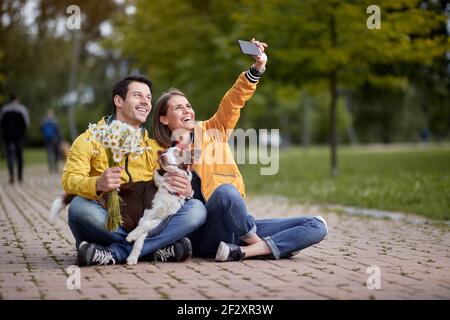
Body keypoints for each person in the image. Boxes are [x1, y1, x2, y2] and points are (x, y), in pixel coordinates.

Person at [152, 39, 328, 262]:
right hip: (206, 234)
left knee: (316, 225)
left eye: (188, 105)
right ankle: (261, 246)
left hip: (238, 228)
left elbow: (232, 103)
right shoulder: (159, 153)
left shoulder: (212, 130)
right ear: (164, 118)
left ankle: (245, 251)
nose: (187, 110)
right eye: (178, 107)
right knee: (226, 193)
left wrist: (256, 69)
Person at [62, 75, 207, 266]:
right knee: (79, 208)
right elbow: (69, 180)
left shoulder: (155, 147)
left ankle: (115, 253)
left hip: (146, 221)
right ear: (118, 101)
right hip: (107, 220)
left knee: (196, 209)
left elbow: (168, 193)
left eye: (148, 98)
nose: (145, 102)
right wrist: (97, 184)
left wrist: (186, 192)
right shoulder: (89, 140)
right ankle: (154, 249)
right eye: (138, 95)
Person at [0, 93, 30, 184]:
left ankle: (11, 175)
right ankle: (20, 176)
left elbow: (1, 123)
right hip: (19, 136)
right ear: (17, 98)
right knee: (19, 156)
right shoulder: (22, 109)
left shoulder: (4, 109)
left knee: (10, 156)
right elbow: (27, 124)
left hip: (8, 136)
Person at [41, 109, 61, 173]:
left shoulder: (44, 121)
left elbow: (41, 129)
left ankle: (50, 168)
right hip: (54, 139)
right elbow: (58, 130)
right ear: (52, 114)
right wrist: (59, 138)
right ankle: (56, 167)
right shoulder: (55, 121)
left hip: (47, 139)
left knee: (49, 153)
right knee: (56, 153)